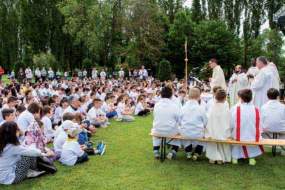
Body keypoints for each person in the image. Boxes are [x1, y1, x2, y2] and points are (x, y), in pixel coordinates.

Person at [231, 89, 264, 165]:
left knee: (236, 134)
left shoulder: (236, 109)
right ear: (252, 98)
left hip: (238, 136)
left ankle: (235, 157)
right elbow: (260, 124)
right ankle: (252, 158)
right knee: (251, 134)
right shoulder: (256, 109)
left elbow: (231, 124)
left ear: (241, 99)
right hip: (253, 136)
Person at [151, 86, 180, 159]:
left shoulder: (156, 105)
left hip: (158, 130)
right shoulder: (174, 106)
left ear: (160, 95)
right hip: (170, 131)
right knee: (179, 131)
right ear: (171, 96)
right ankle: (173, 151)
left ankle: (156, 150)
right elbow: (178, 120)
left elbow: (155, 116)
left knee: (156, 128)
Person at [179, 88, 208, 160]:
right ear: (199, 97)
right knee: (205, 133)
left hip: (185, 132)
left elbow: (179, 122)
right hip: (198, 133)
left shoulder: (183, 108)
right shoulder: (201, 108)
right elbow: (205, 122)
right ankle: (197, 152)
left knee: (185, 129)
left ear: (188, 97)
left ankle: (188, 151)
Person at [205, 89, 231, 164]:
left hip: (212, 134)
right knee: (224, 133)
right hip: (224, 134)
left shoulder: (210, 110)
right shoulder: (227, 111)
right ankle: (222, 156)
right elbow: (231, 124)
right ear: (225, 98)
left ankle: (213, 157)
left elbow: (206, 123)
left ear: (215, 97)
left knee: (211, 133)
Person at [261, 88, 285, 154]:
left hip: (266, 128)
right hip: (281, 128)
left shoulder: (263, 107)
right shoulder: (283, 106)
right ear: (278, 97)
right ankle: (283, 149)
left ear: (267, 97)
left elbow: (262, 119)